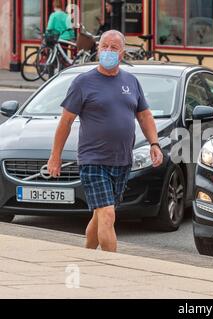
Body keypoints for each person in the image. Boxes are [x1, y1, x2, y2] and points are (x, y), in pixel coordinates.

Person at [47, 30, 164, 253]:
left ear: (122, 53)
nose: (108, 51)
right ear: (98, 49)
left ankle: (88, 254)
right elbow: (66, 122)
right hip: (93, 160)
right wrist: (55, 156)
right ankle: (112, 266)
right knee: (108, 214)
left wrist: (154, 144)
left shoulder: (131, 81)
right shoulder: (83, 82)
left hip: (121, 160)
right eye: (104, 47)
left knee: (101, 214)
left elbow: (144, 115)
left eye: (113, 48)